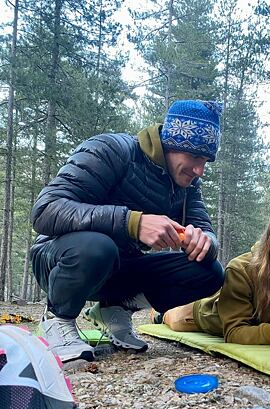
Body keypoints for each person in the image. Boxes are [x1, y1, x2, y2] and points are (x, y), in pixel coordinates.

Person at [30, 100, 225, 362]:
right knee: (98, 247)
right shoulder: (112, 150)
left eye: (206, 161)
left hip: (120, 268)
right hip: (61, 259)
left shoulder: (187, 185)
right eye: (195, 157)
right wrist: (133, 222)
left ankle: (116, 307)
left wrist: (205, 242)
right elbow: (45, 210)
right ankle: (57, 319)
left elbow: (205, 229)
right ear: (170, 144)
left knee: (209, 271)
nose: (200, 170)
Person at [157, 207, 270, 344]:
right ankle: (158, 314)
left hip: (255, 321)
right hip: (203, 315)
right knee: (169, 316)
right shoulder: (240, 270)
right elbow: (234, 333)